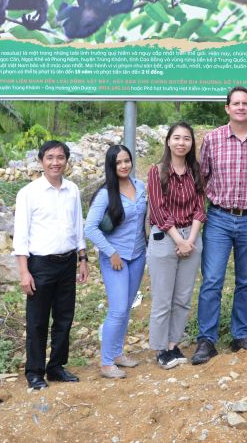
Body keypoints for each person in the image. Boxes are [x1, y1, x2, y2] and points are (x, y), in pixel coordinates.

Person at [191, 86, 247, 365]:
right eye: (235, 103)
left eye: (246, 103)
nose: (241, 107)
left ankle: (241, 335)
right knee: (212, 280)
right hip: (218, 218)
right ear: (227, 108)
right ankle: (206, 339)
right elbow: (201, 180)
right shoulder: (213, 139)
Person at [13, 140, 88, 390]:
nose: (55, 162)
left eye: (60, 157)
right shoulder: (28, 193)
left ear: (66, 160)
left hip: (67, 262)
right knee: (37, 321)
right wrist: (24, 272)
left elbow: (78, 226)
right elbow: (21, 236)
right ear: (41, 161)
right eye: (50, 157)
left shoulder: (73, 190)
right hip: (40, 264)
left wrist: (82, 259)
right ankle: (35, 372)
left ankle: (56, 366)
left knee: (65, 317)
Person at [84, 145, 148, 378]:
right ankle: (107, 362)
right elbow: (90, 228)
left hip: (138, 255)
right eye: (118, 162)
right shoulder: (105, 194)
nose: (123, 166)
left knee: (127, 307)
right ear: (111, 165)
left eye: (127, 161)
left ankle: (118, 353)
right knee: (118, 309)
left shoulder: (140, 187)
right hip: (115, 260)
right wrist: (111, 252)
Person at [147, 121, 206, 369]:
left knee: (182, 298)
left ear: (192, 143)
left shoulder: (196, 171)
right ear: (168, 141)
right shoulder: (156, 171)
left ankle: (174, 344)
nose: (182, 143)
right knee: (163, 299)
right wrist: (179, 240)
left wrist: (190, 240)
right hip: (165, 239)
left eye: (187, 139)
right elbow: (158, 210)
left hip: (192, 239)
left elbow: (200, 208)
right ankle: (161, 349)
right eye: (177, 138)